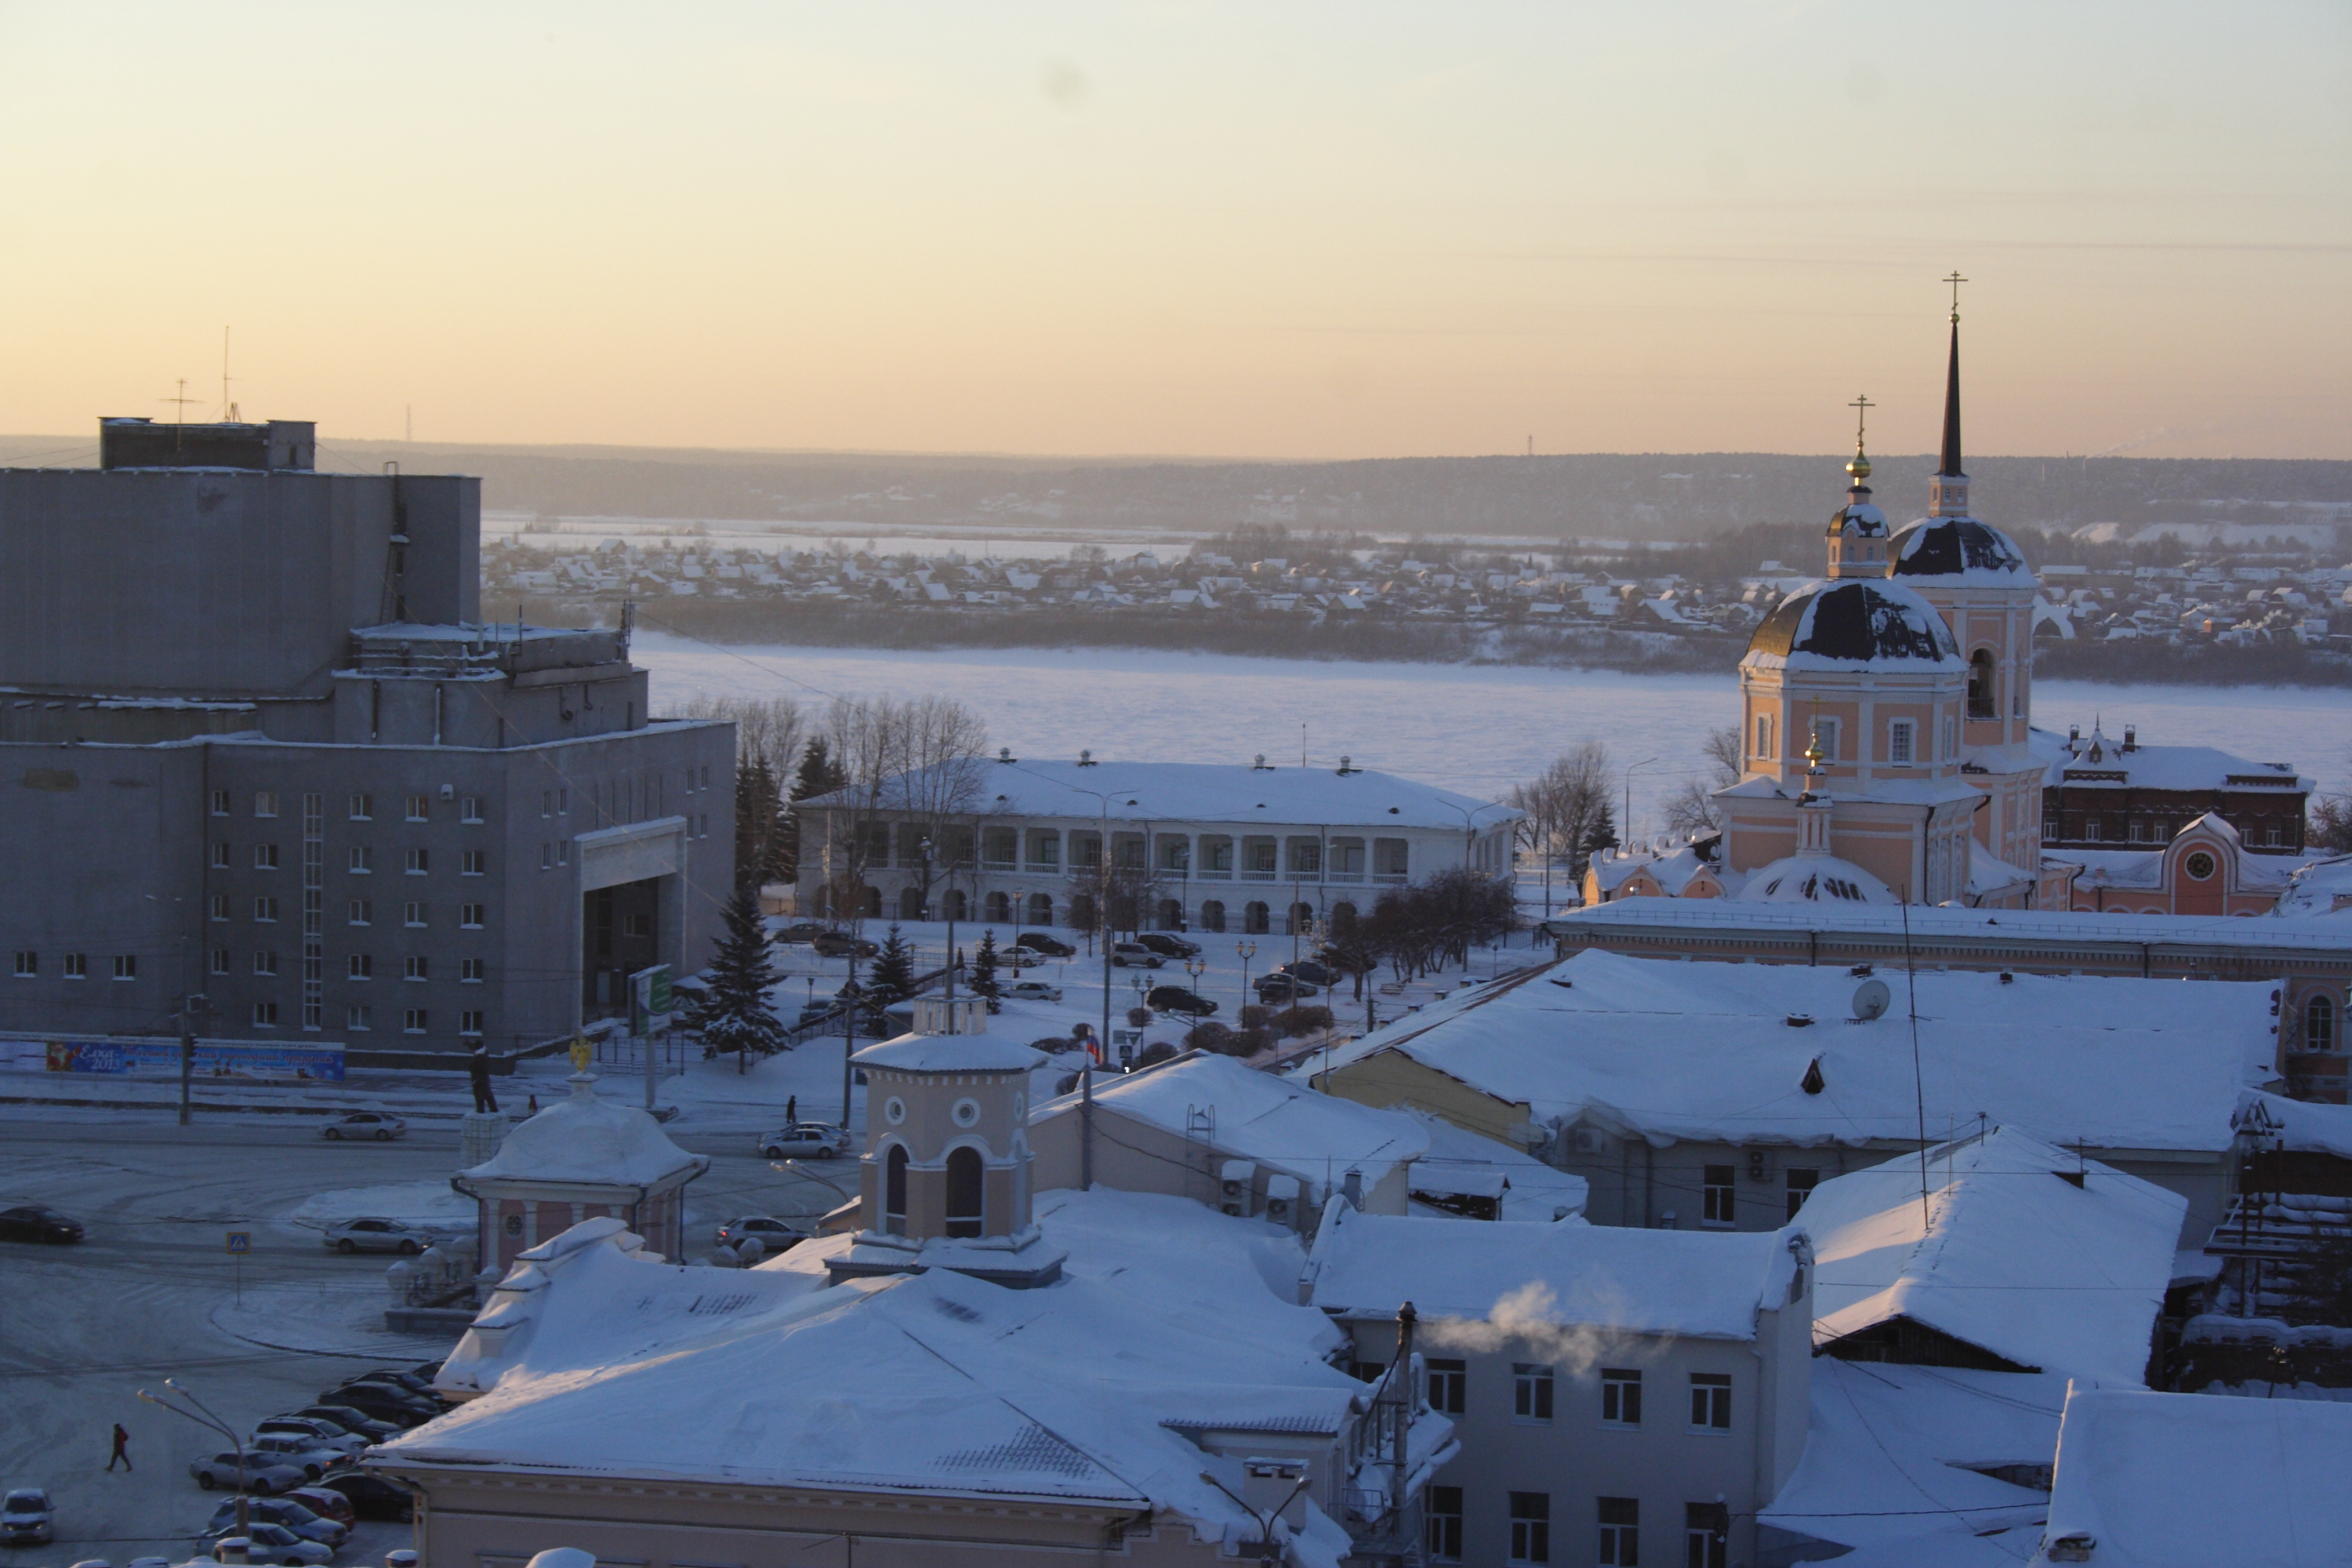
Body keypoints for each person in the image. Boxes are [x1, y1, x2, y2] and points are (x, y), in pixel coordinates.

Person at [467, 1043, 499, 1115]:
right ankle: (493, 1109)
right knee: (487, 1094)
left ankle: (481, 1110)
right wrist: (468, 1044)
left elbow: (479, 1069)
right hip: (482, 1079)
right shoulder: (482, 1053)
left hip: (479, 1079)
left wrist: (477, 1080)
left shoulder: (480, 1057)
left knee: (480, 1095)